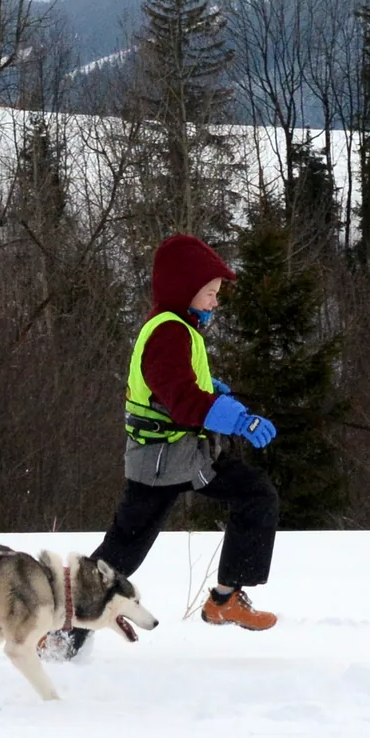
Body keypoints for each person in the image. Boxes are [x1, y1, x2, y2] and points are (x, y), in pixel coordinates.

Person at [54, 234, 281, 660]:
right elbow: (181, 399)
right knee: (123, 550)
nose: (216, 302)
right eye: (210, 293)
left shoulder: (180, 328)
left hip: (180, 454)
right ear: (184, 290)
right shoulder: (168, 332)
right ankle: (64, 629)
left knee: (254, 493)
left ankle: (224, 598)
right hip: (161, 459)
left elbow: (175, 386)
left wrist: (210, 388)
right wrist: (236, 418)